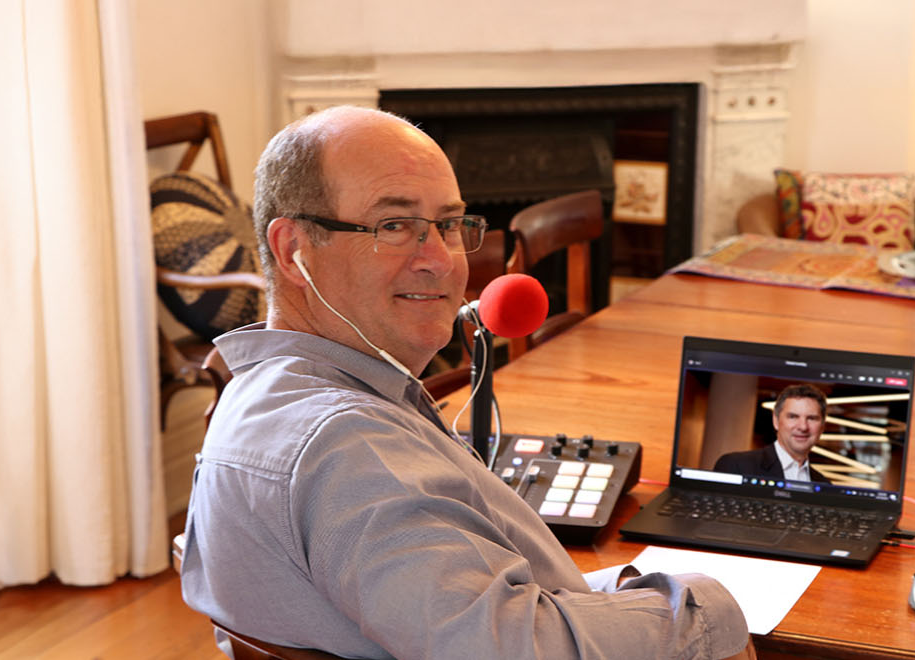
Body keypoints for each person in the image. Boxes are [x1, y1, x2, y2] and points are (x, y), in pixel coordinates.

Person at [179, 105, 753, 660]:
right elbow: (504, 648)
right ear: (292, 250)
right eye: (395, 225)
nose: (441, 260)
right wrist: (704, 606)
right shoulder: (348, 444)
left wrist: (631, 597)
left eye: (449, 224)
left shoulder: (260, 392)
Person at [712, 384, 831, 484]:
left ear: (822, 426)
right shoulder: (735, 466)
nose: (803, 427)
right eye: (793, 417)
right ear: (776, 421)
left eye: (812, 418)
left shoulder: (825, 485)